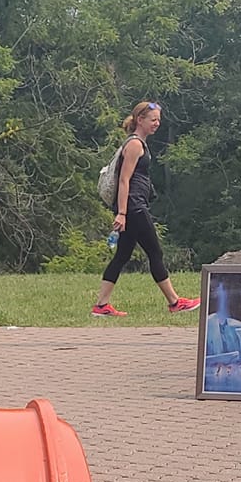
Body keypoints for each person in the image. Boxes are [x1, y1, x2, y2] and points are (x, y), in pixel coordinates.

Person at [92, 101, 200, 319]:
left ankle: (101, 306)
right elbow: (124, 180)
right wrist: (122, 213)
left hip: (133, 206)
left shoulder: (139, 143)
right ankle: (175, 302)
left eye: (158, 120)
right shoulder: (134, 145)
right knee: (155, 252)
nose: (157, 124)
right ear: (139, 120)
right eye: (153, 120)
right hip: (134, 208)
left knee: (122, 255)